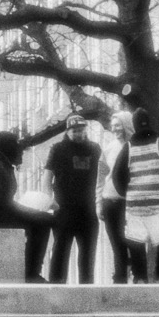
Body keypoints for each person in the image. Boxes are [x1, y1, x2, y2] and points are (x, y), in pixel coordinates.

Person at [109, 108, 159, 281]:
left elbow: (117, 175)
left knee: (135, 242)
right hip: (157, 203)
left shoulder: (128, 147)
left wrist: (126, 192)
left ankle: (140, 278)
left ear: (134, 126)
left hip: (134, 204)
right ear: (149, 123)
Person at [0, 131, 52, 281]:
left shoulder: (0, 164)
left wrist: (34, 213)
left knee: (42, 219)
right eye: (17, 146)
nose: (20, 150)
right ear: (7, 147)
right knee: (43, 222)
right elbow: (7, 205)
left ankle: (30, 271)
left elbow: (6, 203)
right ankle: (30, 273)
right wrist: (35, 214)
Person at [44, 113, 104, 284]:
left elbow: (104, 175)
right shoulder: (58, 149)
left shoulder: (95, 149)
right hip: (64, 209)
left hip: (88, 210)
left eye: (81, 130)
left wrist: (101, 201)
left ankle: (86, 290)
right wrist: (49, 200)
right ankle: (56, 290)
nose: (79, 133)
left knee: (88, 256)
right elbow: (47, 176)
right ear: (68, 131)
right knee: (60, 253)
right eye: (75, 130)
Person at [99, 108, 132, 282]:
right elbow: (100, 177)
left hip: (131, 203)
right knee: (116, 243)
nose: (115, 129)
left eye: (118, 125)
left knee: (133, 242)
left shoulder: (136, 147)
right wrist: (98, 203)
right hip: (110, 201)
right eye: (113, 126)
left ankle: (137, 276)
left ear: (127, 125)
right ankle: (120, 278)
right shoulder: (109, 148)